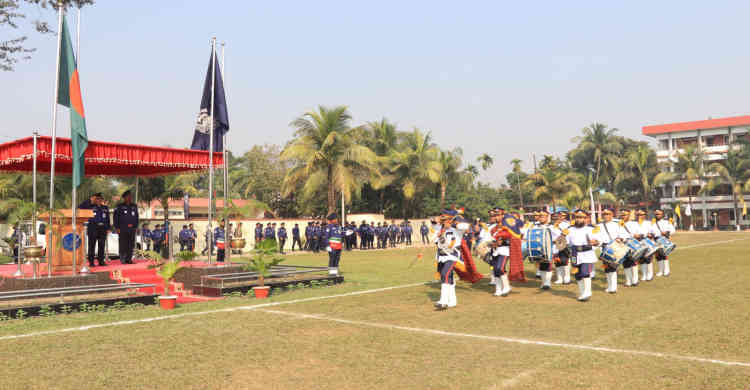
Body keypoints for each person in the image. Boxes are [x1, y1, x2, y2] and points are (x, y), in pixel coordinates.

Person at [432, 209, 463, 309]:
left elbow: (466, 227)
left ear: (450, 220)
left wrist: (453, 225)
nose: (443, 221)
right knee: (447, 277)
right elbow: (433, 222)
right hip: (442, 255)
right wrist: (439, 233)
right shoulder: (441, 228)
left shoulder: (457, 228)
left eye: (445, 219)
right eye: (442, 219)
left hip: (452, 255)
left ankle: (443, 301)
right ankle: (452, 300)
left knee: (445, 274)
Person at [567, 209, 599, 301]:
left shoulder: (591, 229)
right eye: (577, 217)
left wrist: (595, 242)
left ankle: (588, 292)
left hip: (587, 254)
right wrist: (561, 237)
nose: (579, 219)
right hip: (574, 254)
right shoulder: (570, 229)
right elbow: (565, 242)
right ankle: (582, 293)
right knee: (577, 274)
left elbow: (598, 240)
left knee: (585, 272)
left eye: (582, 217)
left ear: (586, 218)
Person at [80, 193, 109, 267]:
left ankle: (101, 261)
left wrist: (108, 228)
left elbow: (107, 219)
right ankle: (91, 262)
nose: (99, 200)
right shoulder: (90, 206)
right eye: (97, 199)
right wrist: (90, 200)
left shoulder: (105, 208)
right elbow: (80, 207)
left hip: (102, 228)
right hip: (93, 228)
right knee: (92, 246)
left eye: (100, 199)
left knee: (101, 245)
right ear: (95, 200)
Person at [596, 208, 622, 294]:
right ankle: (609, 286)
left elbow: (621, 235)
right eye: (604, 214)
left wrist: (619, 239)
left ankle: (613, 287)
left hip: (614, 247)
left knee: (613, 267)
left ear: (612, 215)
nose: (606, 216)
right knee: (606, 267)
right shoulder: (599, 226)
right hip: (604, 247)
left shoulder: (616, 224)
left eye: (608, 214)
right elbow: (597, 237)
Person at [113, 190, 138, 264]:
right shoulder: (120, 206)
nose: (130, 197)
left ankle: (129, 259)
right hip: (123, 228)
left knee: (131, 244)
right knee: (123, 244)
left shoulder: (134, 206)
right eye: (128, 196)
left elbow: (136, 217)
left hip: (132, 228)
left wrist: (135, 226)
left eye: (130, 196)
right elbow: (115, 217)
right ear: (124, 198)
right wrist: (117, 227)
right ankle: (123, 259)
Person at [650, 209, 676, 277]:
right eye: (656, 214)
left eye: (659, 214)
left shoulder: (666, 222)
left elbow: (673, 230)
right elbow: (651, 231)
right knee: (658, 256)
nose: (657, 215)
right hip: (656, 240)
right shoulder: (652, 223)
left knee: (664, 255)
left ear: (662, 215)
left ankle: (666, 271)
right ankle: (660, 271)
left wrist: (666, 232)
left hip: (664, 240)